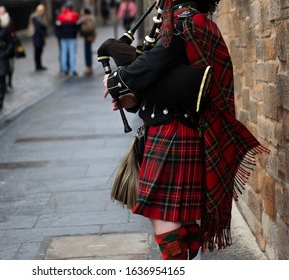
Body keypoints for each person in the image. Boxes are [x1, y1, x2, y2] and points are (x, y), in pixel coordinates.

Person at [103, 0, 269, 260]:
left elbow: (148, 66)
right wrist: (134, 101)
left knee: (163, 218)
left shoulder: (184, 24)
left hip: (174, 132)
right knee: (182, 220)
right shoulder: (197, 23)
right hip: (178, 130)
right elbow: (171, 83)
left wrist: (117, 80)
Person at [56, 0, 79, 76]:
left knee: (63, 53)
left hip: (63, 37)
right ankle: (72, 70)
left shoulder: (60, 16)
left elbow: (57, 27)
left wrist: (60, 35)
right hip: (72, 37)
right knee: (72, 53)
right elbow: (77, 26)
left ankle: (64, 69)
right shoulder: (75, 15)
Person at [0, 5, 17, 88]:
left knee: (10, 66)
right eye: (0, 11)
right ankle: (3, 82)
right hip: (0, 48)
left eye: (3, 10)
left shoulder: (9, 20)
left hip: (9, 47)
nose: (2, 12)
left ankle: (9, 81)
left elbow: (14, 32)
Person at [28, 4, 49, 71]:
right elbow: (38, 27)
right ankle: (38, 66)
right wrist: (44, 34)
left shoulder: (42, 17)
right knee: (37, 52)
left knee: (40, 51)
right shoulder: (35, 17)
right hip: (37, 37)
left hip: (40, 37)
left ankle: (39, 65)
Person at [79, 7, 96, 76]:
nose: (81, 12)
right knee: (87, 52)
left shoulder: (88, 18)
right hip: (88, 36)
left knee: (87, 52)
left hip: (88, 36)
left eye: (82, 11)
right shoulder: (88, 17)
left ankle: (89, 67)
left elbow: (90, 28)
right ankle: (89, 66)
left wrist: (82, 27)